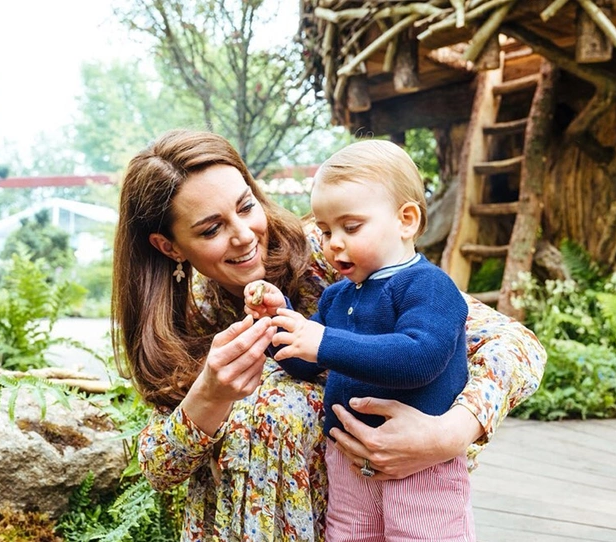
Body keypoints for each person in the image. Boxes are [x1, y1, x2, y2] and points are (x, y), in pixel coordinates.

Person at [111, 129, 546, 542]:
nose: (244, 236)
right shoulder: (180, 321)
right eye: (211, 229)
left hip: (381, 503)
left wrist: (450, 434)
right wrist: (209, 395)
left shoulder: (338, 253)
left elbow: (516, 345)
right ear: (169, 247)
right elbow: (159, 468)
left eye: (246, 207)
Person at [243, 140, 475, 540]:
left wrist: (325, 343)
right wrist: (277, 322)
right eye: (326, 230)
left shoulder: (428, 286)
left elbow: (421, 357)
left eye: (351, 227)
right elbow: (304, 361)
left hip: (420, 467)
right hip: (348, 462)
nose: (334, 243)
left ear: (406, 220)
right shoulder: (337, 296)